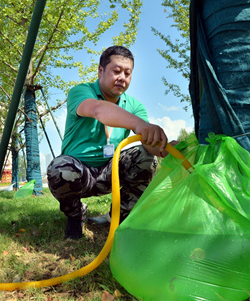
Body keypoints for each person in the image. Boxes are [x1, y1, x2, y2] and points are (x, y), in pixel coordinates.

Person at [47, 45, 174, 239]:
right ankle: (75, 214)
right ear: (100, 70)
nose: (122, 77)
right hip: (80, 172)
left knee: (146, 157)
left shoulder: (134, 106)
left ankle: (120, 217)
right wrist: (140, 125)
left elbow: (147, 141)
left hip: (110, 171)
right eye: (116, 71)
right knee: (60, 168)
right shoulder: (81, 92)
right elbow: (98, 110)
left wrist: (164, 148)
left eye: (127, 73)